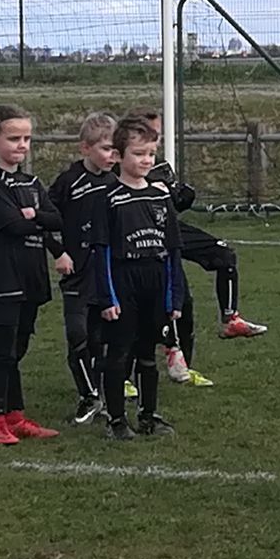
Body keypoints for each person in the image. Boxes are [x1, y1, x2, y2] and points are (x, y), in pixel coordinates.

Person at [128, 108, 268, 387]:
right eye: (151, 131)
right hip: (144, 236)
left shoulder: (157, 164)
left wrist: (181, 196)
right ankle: (131, 371)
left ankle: (227, 321)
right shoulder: (123, 168)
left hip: (169, 228)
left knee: (223, 255)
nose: (157, 137)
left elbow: (171, 203)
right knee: (166, 302)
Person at [96, 117, 184, 439]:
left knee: (148, 352)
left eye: (151, 154)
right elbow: (101, 251)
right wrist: (107, 297)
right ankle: (116, 420)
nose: (146, 160)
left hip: (154, 279)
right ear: (118, 156)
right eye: (138, 154)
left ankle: (149, 415)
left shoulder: (160, 198)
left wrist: (174, 297)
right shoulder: (109, 198)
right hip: (123, 280)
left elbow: (173, 250)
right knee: (119, 352)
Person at [0, 104, 62, 445]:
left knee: (18, 347)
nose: (22, 145)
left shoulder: (31, 182)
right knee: (2, 350)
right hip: (2, 276)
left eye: (27, 138)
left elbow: (57, 219)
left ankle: (16, 417)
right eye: (14, 138)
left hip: (31, 275)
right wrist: (36, 218)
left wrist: (36, 216)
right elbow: (12, 225)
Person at [45, 112, 118, 425]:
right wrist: (59, 252)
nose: (112, 156)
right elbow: (44, 220)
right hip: (77, 272)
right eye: (106, 148)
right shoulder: (69, 181)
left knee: (101, 338)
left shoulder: (116, 182)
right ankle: (88, 396)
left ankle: (99, 394)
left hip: (107, 273)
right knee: (77, 334)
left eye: (116, 149)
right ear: (85, 148)